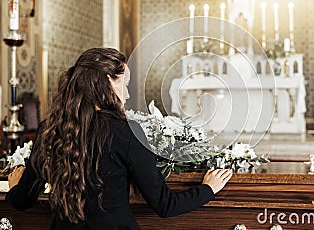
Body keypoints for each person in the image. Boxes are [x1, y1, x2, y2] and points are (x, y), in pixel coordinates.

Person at [6, 47, 233, 229]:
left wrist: (15, 184)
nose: (127, 95)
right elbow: (165, 205)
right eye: (124, 85)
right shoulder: (126, 131)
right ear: (106, 82)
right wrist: (208, 189)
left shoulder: (49, 129)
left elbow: (21, 201)